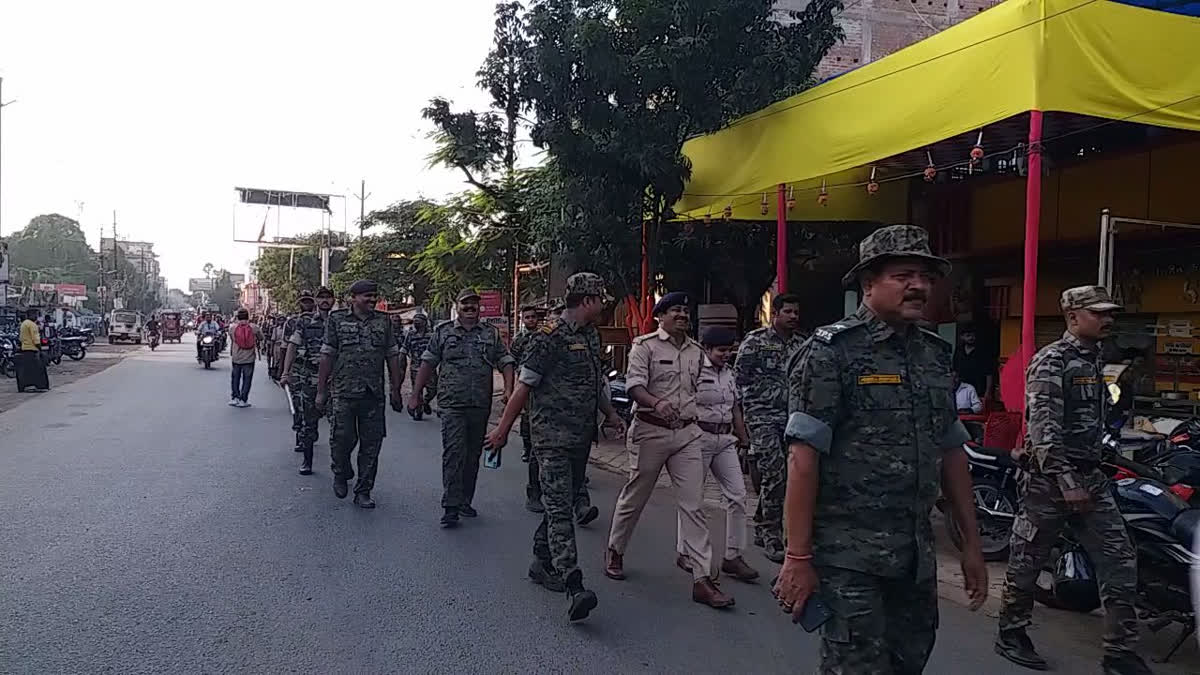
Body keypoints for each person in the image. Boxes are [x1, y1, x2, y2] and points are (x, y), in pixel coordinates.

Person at [775, 224, 988, 673]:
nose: (919, 286)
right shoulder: (832, 352)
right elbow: (802, 459)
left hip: (914, 557)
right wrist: (797, 558)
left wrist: (972, 546)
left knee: (909, 663)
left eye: (926, 277)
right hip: (849, 558)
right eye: (904, 275)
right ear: (868, 282)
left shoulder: (933, 354)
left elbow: (951, 451)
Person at [996, 285, 1150, 675]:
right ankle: (1011, 632)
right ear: (1072, 317)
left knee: (1120, 560)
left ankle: (1120, 652)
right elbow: (1044, 429)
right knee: (1027, 560)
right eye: (1099, 313)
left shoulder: (1098, 359)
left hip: (1091, 477)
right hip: (1049, 482)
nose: (1108, 319)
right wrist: (1066, 481)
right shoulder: (1053, 360)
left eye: (1110, 313)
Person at [486, 273, 623, 622]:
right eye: (601, 299)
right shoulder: (549, 338)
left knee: (558, 503)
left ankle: (541, 560)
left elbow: (596, 383)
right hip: (551, 440)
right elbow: (523, 388)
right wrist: (502, 430)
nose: (604, 305)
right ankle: (573, 583)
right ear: (587, 299)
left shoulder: (591, 336)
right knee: (561, 509)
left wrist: (609, 415)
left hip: (580, 438)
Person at [603, 291, 733, 609]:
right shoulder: (645, 346)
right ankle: (616, 549)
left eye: (685, 311)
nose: (683, 315)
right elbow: (634, 385)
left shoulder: (696, 351)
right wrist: (657, 402)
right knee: (636, 496)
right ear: (661, 316)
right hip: (650, 431)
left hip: (688, 434)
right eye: (676, 310)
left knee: (694, 504)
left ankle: (703, 579)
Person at [411, 288, 515, 528]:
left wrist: (509, 389)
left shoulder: (491, 334)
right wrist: (416, 394)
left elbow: (506, 361)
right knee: (454, 452)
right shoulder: (443, 332)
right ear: (457, 306)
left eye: (474, 304)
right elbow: (428, 362)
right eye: (465, 304)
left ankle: (465, 500)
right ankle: (450, 505)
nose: (470, 308)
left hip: (480, 403)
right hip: (451, 404)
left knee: (472, 455)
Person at [677, 325, 759, 582]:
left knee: (738, 496)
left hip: (725, 440)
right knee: (693, 498)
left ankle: (733, 556)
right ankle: (685, 552)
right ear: (707, 349)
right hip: (698, 437)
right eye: (721, 350)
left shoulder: (729, 373)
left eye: (729, 350)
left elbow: (735, 408)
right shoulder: (694, 371)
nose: (726, 354)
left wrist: (744, 439)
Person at [316, 280, 403, 508]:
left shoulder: (384, 321)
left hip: (373, 393)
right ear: (352, 298)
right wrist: (321, 390)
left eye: (374, 296)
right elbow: (327, 355)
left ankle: (363, 490)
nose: (372, 300)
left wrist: (395, 388)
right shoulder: (337, 320)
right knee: (341, 439)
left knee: (372, 444)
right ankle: (341, 472)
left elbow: (392, 356)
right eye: (367, 296)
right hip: (343, 392)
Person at [734, 292, 806, 563]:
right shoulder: (756, 341)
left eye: (796, 312)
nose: (793, 317)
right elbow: (739, 378)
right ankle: (770, 533)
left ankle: (762, 519)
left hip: (792, 417)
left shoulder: (802, 344)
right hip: (761, 416)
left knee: (787, 474)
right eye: (788, 312)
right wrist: (741, 418)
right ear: (775, 314)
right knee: (774, 472)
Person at [281, 288, 334, 475]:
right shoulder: (303, 322)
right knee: (308, 421)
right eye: (322, 297)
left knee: (339, 426)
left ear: (334, 300)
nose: (325, 301)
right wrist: (286, 372)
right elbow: (291, 346)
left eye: (328, 297)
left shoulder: (340, 321)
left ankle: (339, 465)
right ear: (316, 301)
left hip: (334, 380)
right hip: (309, 377)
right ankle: (307, 460)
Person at [509, 305, 546, 511]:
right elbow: (511, 361)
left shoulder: (545, 338)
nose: (531, 320)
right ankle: (527, 446)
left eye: (534, 317)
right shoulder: (520, 340)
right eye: (527, 317)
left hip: (545, 392)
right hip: (526, 385)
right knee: (526, 419)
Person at [399, 312, 437, 420]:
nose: (416, 323)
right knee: (417, 389)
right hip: (415, 367)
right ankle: (418, 410)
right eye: (415, 321)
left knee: (433, 389)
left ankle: (426, 402)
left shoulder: (432, 335)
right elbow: (404, 349)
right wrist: (400, 361)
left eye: (418, 321)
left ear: (424, 322)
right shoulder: (410, 335)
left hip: (430, 368)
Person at [227, 309, 263, 407]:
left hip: (236, 357)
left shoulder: (232, 328)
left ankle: (235, 397)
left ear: (238, 317)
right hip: (249, 358)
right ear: (248, 317)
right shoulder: (254, 327)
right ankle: (243, 399)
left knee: (235, 378)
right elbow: (261, 338)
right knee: (247, 379)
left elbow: (232, 338)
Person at [954, 324, 994, 401]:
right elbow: (955, 370)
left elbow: (989, 373)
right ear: (962, 337)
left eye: (973, 336)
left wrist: (987, 392)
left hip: (978, 389)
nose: (971, 338)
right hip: (962, 388)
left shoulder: (982, 351)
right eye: (968, 336)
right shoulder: (959, 351)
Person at [15, 308, 49, 392]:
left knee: (27, 370)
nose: (36, 317)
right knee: (37, 370)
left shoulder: (24, 324)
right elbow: (35, 339)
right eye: (35, 315)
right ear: (31, 315)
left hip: (25, 349)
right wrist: (39, 348)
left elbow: (21, 338)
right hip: (32, 349)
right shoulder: (32, 325)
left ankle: (28, 386)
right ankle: (39, 386)